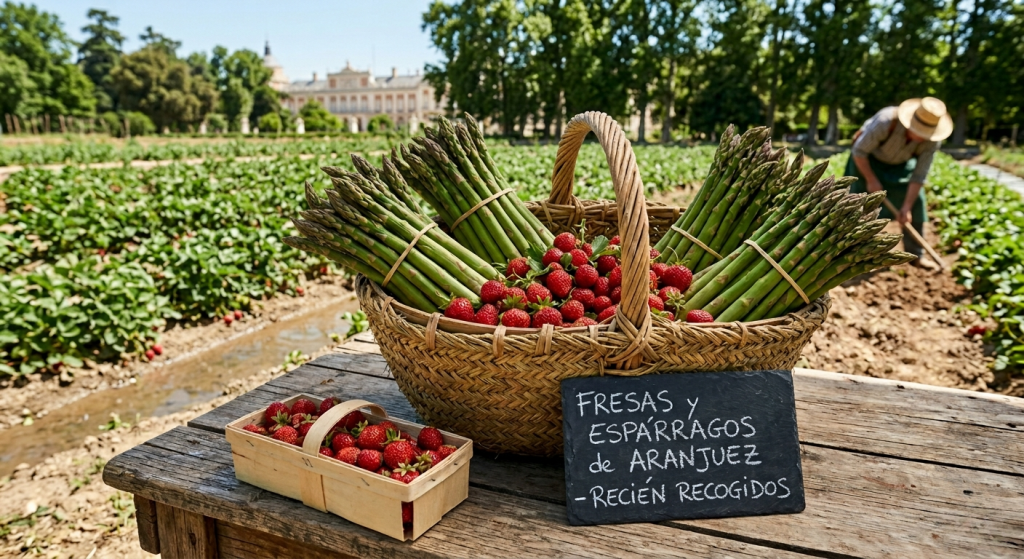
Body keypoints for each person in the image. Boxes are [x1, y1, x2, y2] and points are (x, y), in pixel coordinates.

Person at [845, 97, 953, 268]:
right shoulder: (886, 121)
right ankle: (854, 254)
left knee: (917, 202)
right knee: (861, 206)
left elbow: (919, 175)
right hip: (867, 161)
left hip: (899, 166)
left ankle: (915, 255)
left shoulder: (932, 141)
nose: (921, 136)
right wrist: (871, 180)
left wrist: (906, 207)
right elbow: (859, 151)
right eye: (918, 130)